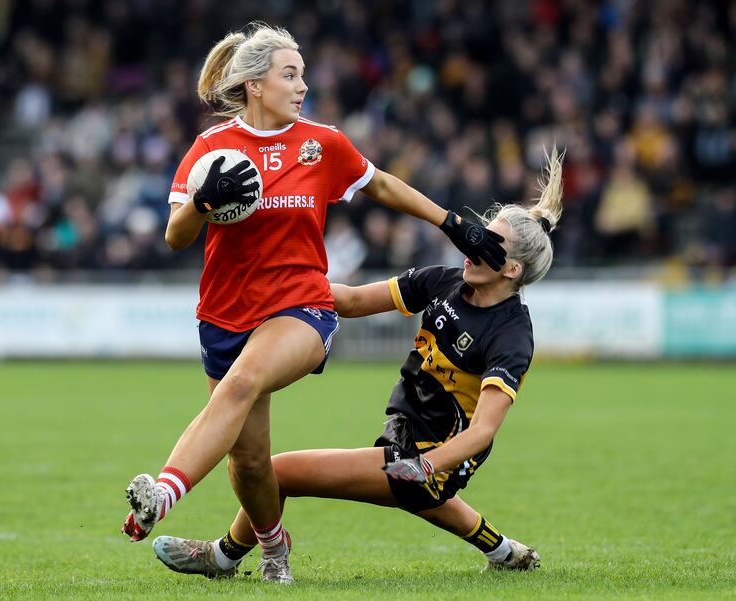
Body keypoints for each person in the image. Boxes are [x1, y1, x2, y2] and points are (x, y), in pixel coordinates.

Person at [120, 23, 508, 585]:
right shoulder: (210, 150)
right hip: (224, 318)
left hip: (303, 307)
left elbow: (382, 186)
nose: (303, 85)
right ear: (255, 84)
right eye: (290, 74)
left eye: (302, 73)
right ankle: (274, 548)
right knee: (250, 463)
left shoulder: (321, 143)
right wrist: (203, 203)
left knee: (243, 381)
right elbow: (176, 237)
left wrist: (452, 223)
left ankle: (164, 491)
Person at [150, 149, 565, 580]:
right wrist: (276, 281)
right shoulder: (444, 281)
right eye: (476, 234)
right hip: (408, 441)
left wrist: (427, 466)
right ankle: (504, 553)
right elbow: (347, 301)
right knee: (415, 497)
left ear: (512, 269)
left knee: (279, 473)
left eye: (486, 243)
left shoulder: (512, 335)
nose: (471, 245)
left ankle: (222, 557)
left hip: (434, 456)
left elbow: (482, 431)